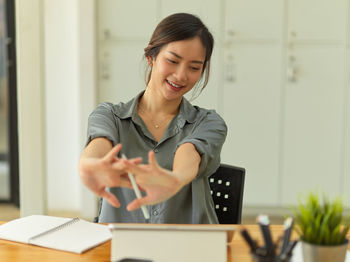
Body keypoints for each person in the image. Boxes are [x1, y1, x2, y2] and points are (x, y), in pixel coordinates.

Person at [79, 13, 227, 224]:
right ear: (151, 57)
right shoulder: (109, 115)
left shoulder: (209, 122)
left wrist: (175, 180)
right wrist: (88, 164)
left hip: (190, 246)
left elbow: (189, 153)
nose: (181, 75)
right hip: (119, 246)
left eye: (194, 67)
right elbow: (99, 146)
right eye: (173, 61)